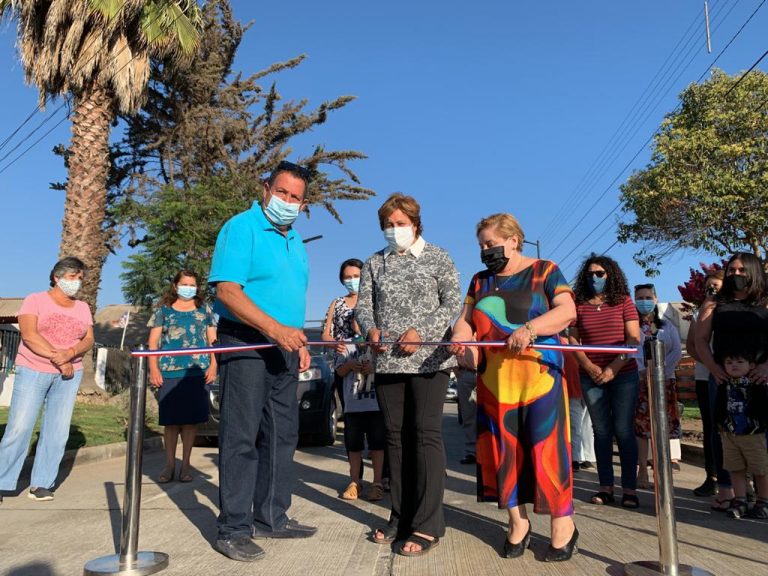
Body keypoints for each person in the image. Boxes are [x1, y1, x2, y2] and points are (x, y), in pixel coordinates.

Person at [450, 213, 579, 563]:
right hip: (495, 381)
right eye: (481, 246)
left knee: (547, 450)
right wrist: (461, 340)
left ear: (514, 240)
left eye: (491, 243)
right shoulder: (480, 281)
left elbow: (567, 311)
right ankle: (516, 522)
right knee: (503, 452)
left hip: (541, 378)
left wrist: (530, 330)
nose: (485, 251)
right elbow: (464, 322)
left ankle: (562, 525)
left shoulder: (545, 271)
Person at [208, 160, 316, 563]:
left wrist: (295, 339)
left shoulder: (296, 242)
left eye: (296, 198)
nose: (287, 202)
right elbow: (227, 291)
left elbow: (289, 296)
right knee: (241, 437)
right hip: (248, 341)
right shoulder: (242, 227)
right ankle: (234, 527)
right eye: (282, 192)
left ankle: (273, 516)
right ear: (266, 187)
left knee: (282, 436)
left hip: (285, 347)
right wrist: (274, 329)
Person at [356, 193, 461, 557]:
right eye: (388, 224)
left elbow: (452, 302)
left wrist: (422, 331)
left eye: (400, 223)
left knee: (425, 436)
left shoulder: (438, 256)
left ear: (416, 224)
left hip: (430, 361)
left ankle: (428, 524)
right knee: (395, 439)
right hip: (388, 362)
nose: (394, 230)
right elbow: (364, 308)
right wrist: (371, 331)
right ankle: (399, 516)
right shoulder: (374, 262)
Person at [0, 257, 94, 503]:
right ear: (57, 277)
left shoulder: (83, 307)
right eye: (73, 277)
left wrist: (71, 355)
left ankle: (42, 483)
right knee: (19, 427)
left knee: (57, 431)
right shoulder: (35, 300)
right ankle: (2, 481)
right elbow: (30, 335)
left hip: (69, 375)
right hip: (34, 369)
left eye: (80, 278)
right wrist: (59, 358)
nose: (77, 283)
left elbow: (88, 339)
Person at [694, 251, 768, 512]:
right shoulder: (714, 303)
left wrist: (766, 367)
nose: (736, 274)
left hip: (760, 381)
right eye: (732, 270)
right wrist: (714, 368)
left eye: (741, 270)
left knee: (762, 436)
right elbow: (700, 340)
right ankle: (728, 491)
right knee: (723, 434)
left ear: (753, 271)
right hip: (724, 380)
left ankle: (762, 498)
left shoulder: (765, 301)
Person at [569, 254, 641, 509]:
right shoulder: (578, 304)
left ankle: (630, 489)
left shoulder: (624, 302)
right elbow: (573, 342)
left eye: (599, 273)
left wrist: (613, 367)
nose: (594, 278)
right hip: (590, 376)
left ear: (611, 274)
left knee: (623, 430)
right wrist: (588, 366)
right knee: (601, 431)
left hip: (623, 375)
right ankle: (605, 487)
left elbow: (633, 338)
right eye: (590, 274)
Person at [147, 270, 217, 483]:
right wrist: (154, 369)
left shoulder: (205, 310)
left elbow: (212, 340)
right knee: (171, 422)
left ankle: (185, 466)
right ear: (176, 286)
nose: (189, 287)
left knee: (190, 422)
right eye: (185, 284)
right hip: (169, 371)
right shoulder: (163, 311)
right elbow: (153, 343)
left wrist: (213, 365)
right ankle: (169, 465)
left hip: (197, 372)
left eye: (193, 284)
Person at [633, 283, 682, 489]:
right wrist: (643, 370)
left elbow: (676, 351)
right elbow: (631, 350)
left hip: (664, 381)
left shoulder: (667, 326)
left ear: (655, 299)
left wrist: (660, 370)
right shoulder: (632, 326)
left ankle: (661, 470)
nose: (644, 301)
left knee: (663, 427)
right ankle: (642, 470)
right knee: (642, 428)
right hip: (641, 382)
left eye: (648, 297)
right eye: (640, 298)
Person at [713, 352, 768, 519]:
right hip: (730, 435)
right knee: (735, 469)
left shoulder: (758, 383)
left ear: (751, 365)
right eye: (729, 362)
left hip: (753, 434)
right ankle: (740, 500)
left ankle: (763, 501)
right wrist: (720, 423)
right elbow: (719, 406)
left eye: (739, 361)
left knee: (760, 469)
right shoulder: (723, 383)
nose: (734, 365)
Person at [686, 270, 726, 497]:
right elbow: (693, 345)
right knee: (711, 428)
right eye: (710, 286)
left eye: (717, 285)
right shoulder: (697, 312)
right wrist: (712, 365)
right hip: (706, 376)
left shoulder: (733, 310)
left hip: (730, 375)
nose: (713, 289)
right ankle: (712, 476)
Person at [335, 341, 385, 501]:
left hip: (376, 405)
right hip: (353, 406)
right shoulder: (346, 346)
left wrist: (374, 368)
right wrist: (350, 365)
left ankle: (377, 483)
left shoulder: (380, 345)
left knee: (377, 445)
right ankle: (355, 482)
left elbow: (389, 368)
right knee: (353, 446)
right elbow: (339, 372)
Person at [322, 258, 364, 410]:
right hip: (344, 365)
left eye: (356, 276)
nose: (352, 280)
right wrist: (334, 343)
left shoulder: (374, 300)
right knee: (349, 410)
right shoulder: (337, 302)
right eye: (347, 277)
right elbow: (325, 334)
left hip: (369, 363)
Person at [564, 332, 595, 472]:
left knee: (584, 423)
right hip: (574, 384)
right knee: (577, 423)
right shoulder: (563, 339)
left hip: (583, 383)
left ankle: (584, 456)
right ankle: (577, 457)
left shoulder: (564, 340)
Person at [455, 343, 478, 465]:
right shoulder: (458, 327)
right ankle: (472, 452)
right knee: (468, 415)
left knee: (490, 413)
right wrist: (455, 369)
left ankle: (490, 451)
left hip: (485, 371)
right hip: (465, 373)